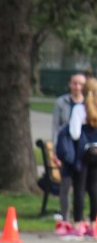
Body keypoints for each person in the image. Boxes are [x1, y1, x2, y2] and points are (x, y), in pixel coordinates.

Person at [51, 72, 87, 220]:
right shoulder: (61, 102)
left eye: (81, 84)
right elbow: (55, 128)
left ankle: (80, 217)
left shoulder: (89, 104)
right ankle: (65, 217)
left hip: (83, 150)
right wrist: (55, 152)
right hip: (67, 148)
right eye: (74, 83)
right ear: (70, 84)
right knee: (65, 186)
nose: (77, 87)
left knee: (83, 186)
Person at [64, 76, 97, 235]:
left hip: (83, 153)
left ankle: (78, 224)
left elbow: (75, 133)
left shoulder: (79, 109)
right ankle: (93, 224)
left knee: (79, 187)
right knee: (94, 188)